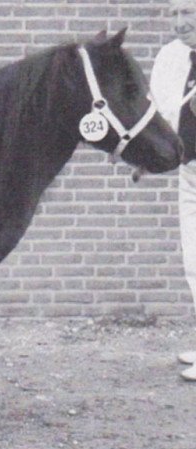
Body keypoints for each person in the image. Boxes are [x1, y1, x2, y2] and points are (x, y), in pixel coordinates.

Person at [151, 0, 196, 380]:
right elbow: (160, 111)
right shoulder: (171, 57)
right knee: (194, 259)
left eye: (190, 13)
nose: (181, 23)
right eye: (175, 14)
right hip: (191, 170)